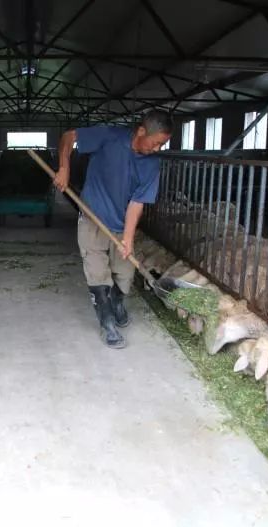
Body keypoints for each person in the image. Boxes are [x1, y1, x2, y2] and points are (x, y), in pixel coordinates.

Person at [54, 111, 173, 349]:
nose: (158, 149)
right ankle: (107, 324)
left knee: (125, 276)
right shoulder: (109, 136)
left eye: (163, 145)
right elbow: (69, 137)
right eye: (157, 142)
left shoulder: (152, 164)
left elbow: (137, 203)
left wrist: (128, 239)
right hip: (91, 219)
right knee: (97, 275)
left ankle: (117, 302)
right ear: (141, 132)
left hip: (120, 226)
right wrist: (64, 168)